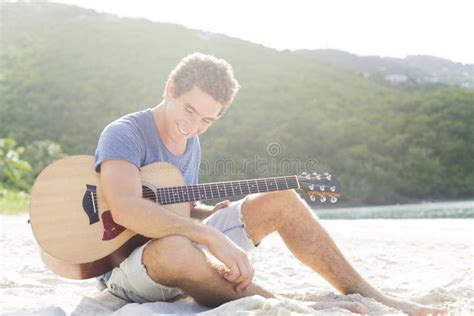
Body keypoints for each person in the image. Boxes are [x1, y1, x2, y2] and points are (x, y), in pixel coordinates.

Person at [95, 53, 447, 315]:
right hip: (129, 269)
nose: (193, 126)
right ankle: (286, 305)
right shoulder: (126, 133)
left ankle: (373, 297)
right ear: (170, 88)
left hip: (183, 246)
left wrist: (204, 215)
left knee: (281, 199)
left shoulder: (191, 140)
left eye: (207, 120)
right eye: (189, 111)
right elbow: (126, 207)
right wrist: (210, 234)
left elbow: (173, 208)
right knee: (175, 247)